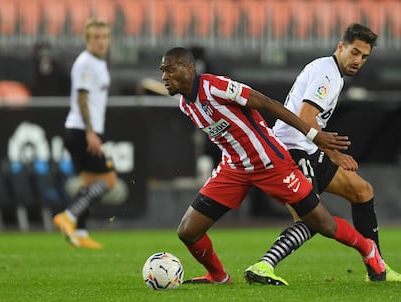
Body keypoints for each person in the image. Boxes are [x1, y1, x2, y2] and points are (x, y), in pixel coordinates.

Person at [159, 47, 385, 285]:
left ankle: (368, 249)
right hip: (234, 169)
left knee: (323, 223)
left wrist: (312, 134)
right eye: (162, 71)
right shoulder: (186, 104)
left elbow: (267, 103)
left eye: (169, 70)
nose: (164, 77)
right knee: (188, 231)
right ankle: (218, 276)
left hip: (271, 163)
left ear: (190, 69)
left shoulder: (216, 86)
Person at [245, 23, 401, 285]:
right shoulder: (326, 74)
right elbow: (306, 115)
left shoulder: (332, 73)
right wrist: (333, 153)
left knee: (362, 191)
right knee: (314, 219)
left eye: (364, 57)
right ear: (341, 47)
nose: (358, 61)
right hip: (291, 151)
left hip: (306, 148)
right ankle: (263, 265)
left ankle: (378, 267)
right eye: (354, 53)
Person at [53, 18, 116, 249]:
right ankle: (68, 216)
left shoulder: (97, 63)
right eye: (96, 37)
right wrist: (91, 132)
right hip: (81, 131)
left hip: (80, 130)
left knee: (89, 184)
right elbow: (81, 98)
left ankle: (79, 232)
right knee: (109, 180)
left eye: (104, 37)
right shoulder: (86, 63)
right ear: (87, 40)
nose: (101, 42)